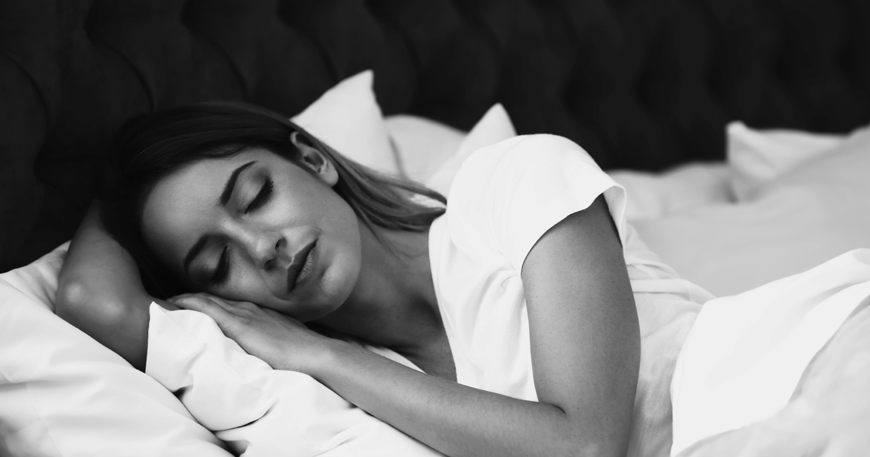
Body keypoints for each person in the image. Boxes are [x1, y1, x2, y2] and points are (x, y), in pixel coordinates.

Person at [56, 102, 712, 457]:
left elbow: (587, 446)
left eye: (255, 195)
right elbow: (92, 300)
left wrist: (319, 350)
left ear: (313, 159)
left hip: (787, 394)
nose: (263, 247)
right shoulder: (353, 384)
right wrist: (111, 189)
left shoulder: (511, 183)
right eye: (216, 263)